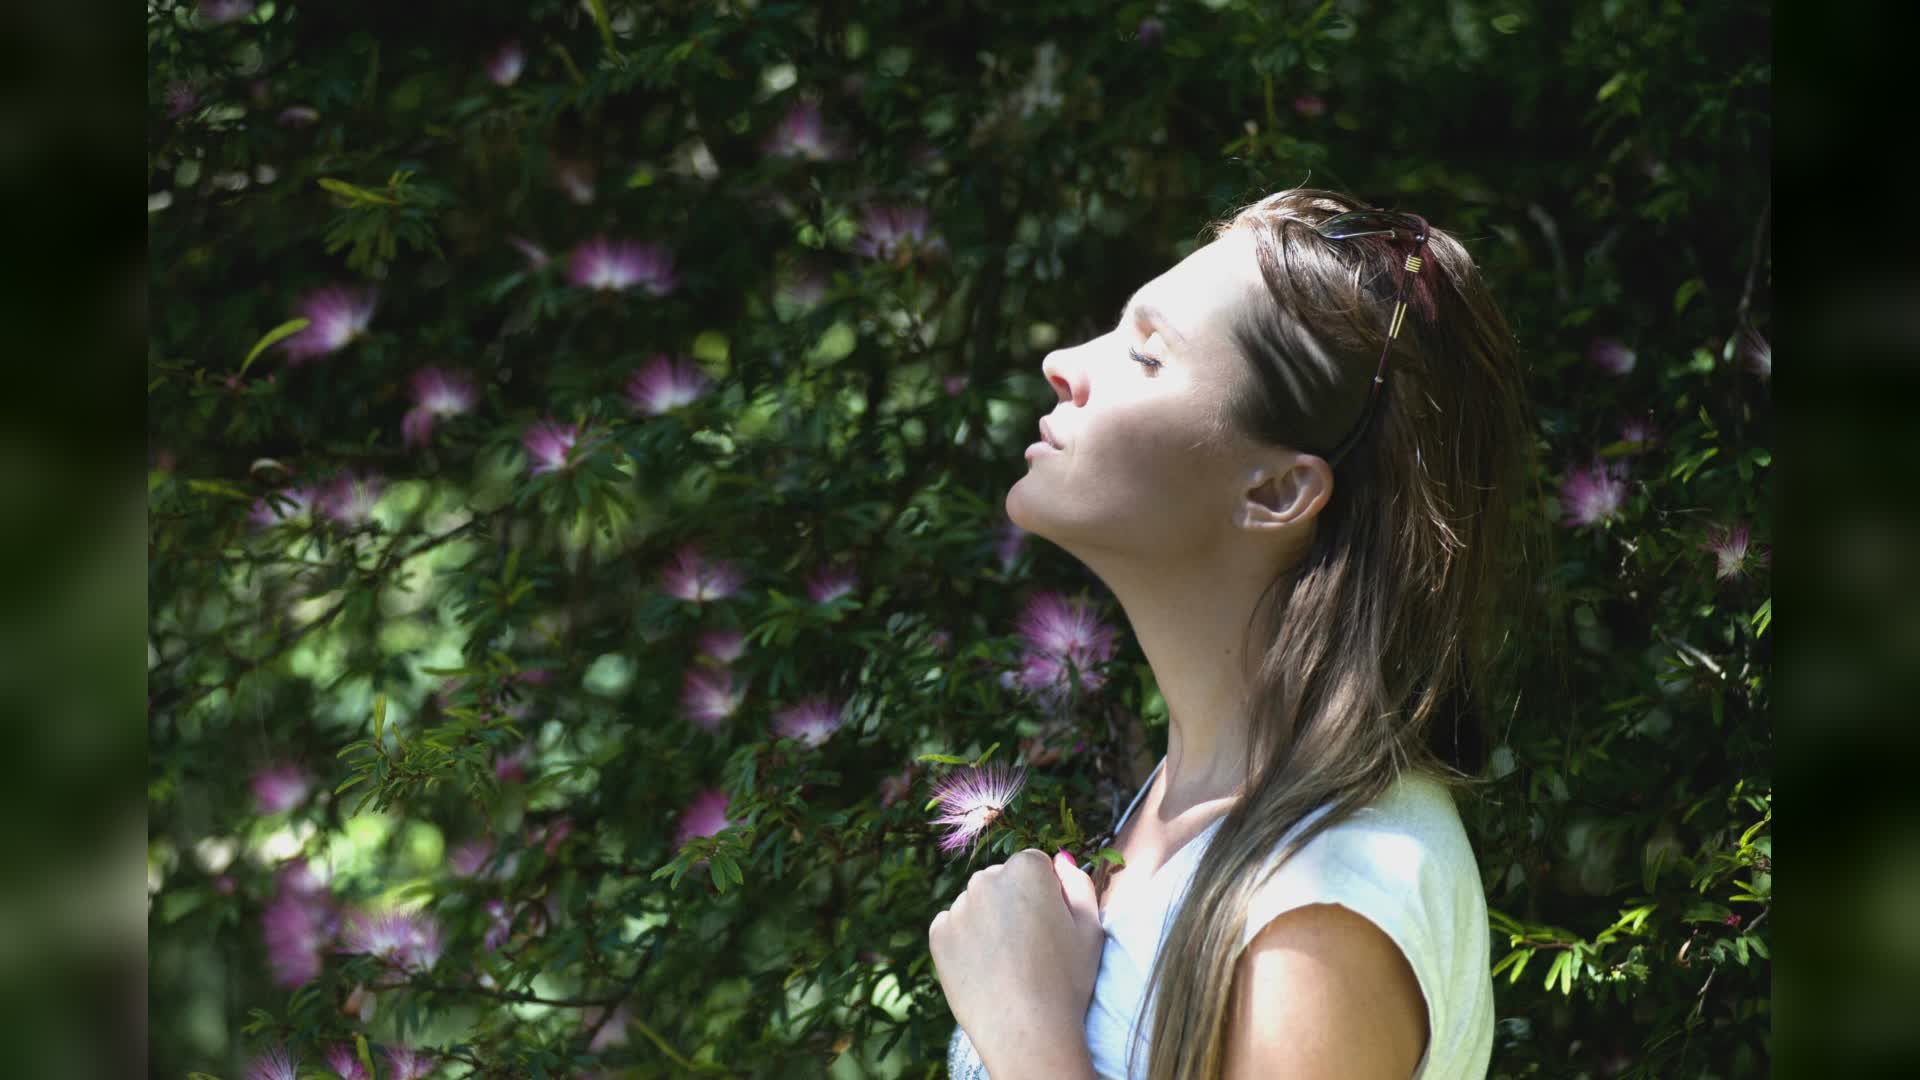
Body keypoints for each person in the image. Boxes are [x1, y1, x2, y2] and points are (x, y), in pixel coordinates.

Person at [929, 187, 1540, 1079]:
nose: (1063, 361)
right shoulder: (1193, 808)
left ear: (1276, 494)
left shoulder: (1327, 900)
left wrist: (1025, 1032)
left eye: (1146, 354)